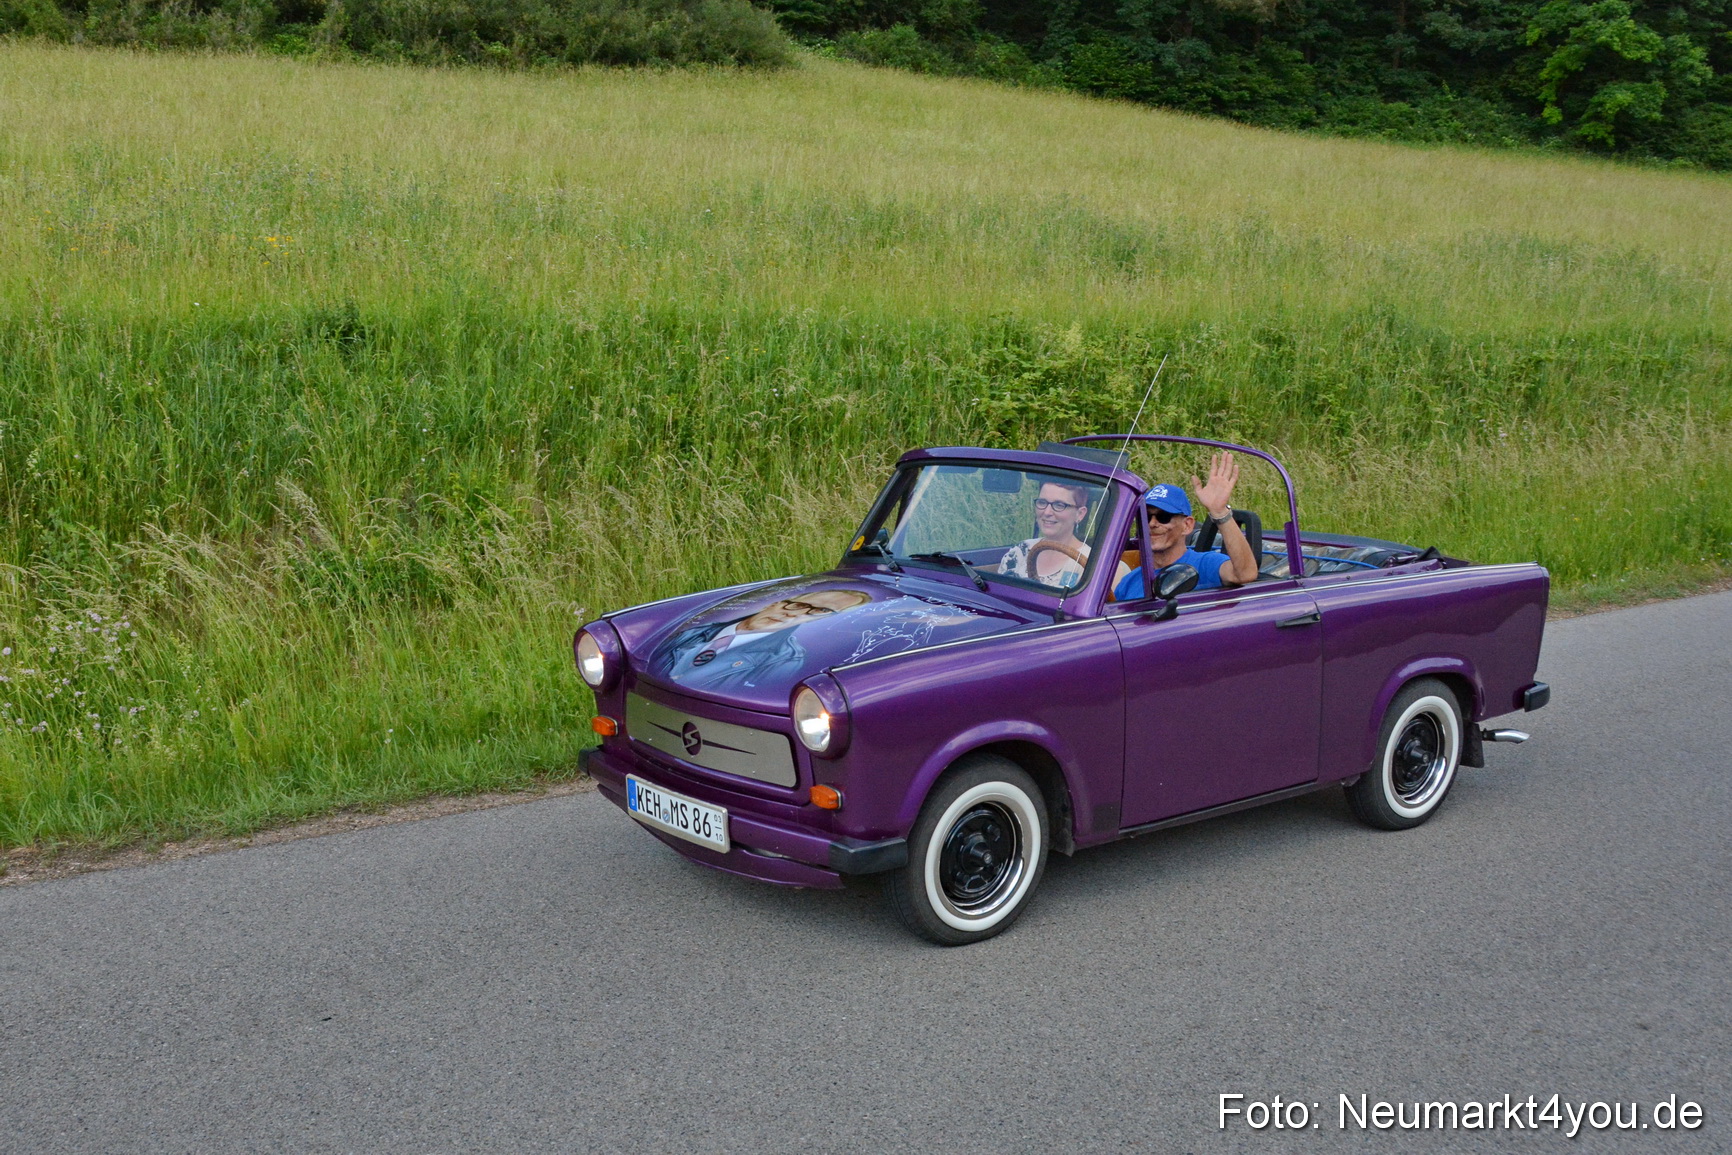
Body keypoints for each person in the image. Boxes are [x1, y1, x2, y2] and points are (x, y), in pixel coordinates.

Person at [655, 589, 872, 691]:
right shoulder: (693, 630)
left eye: (821, 611)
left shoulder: (784, 659)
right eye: (796, 604)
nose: (794, 614)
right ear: (773, 604)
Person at [1113, 451, 1261, 599]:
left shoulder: (1205, 564)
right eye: (1145, 517)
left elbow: (1245, 574)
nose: (1152, 523)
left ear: (1187, 525)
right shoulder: (1128, 583)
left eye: (1164, 516)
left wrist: (1220, 512)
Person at [997, 480, 1101, 590]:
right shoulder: (1020, 551)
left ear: (1080, 514)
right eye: (1042, 502)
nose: (1047, 512)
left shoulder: (1090, 562)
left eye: (1059, 505)